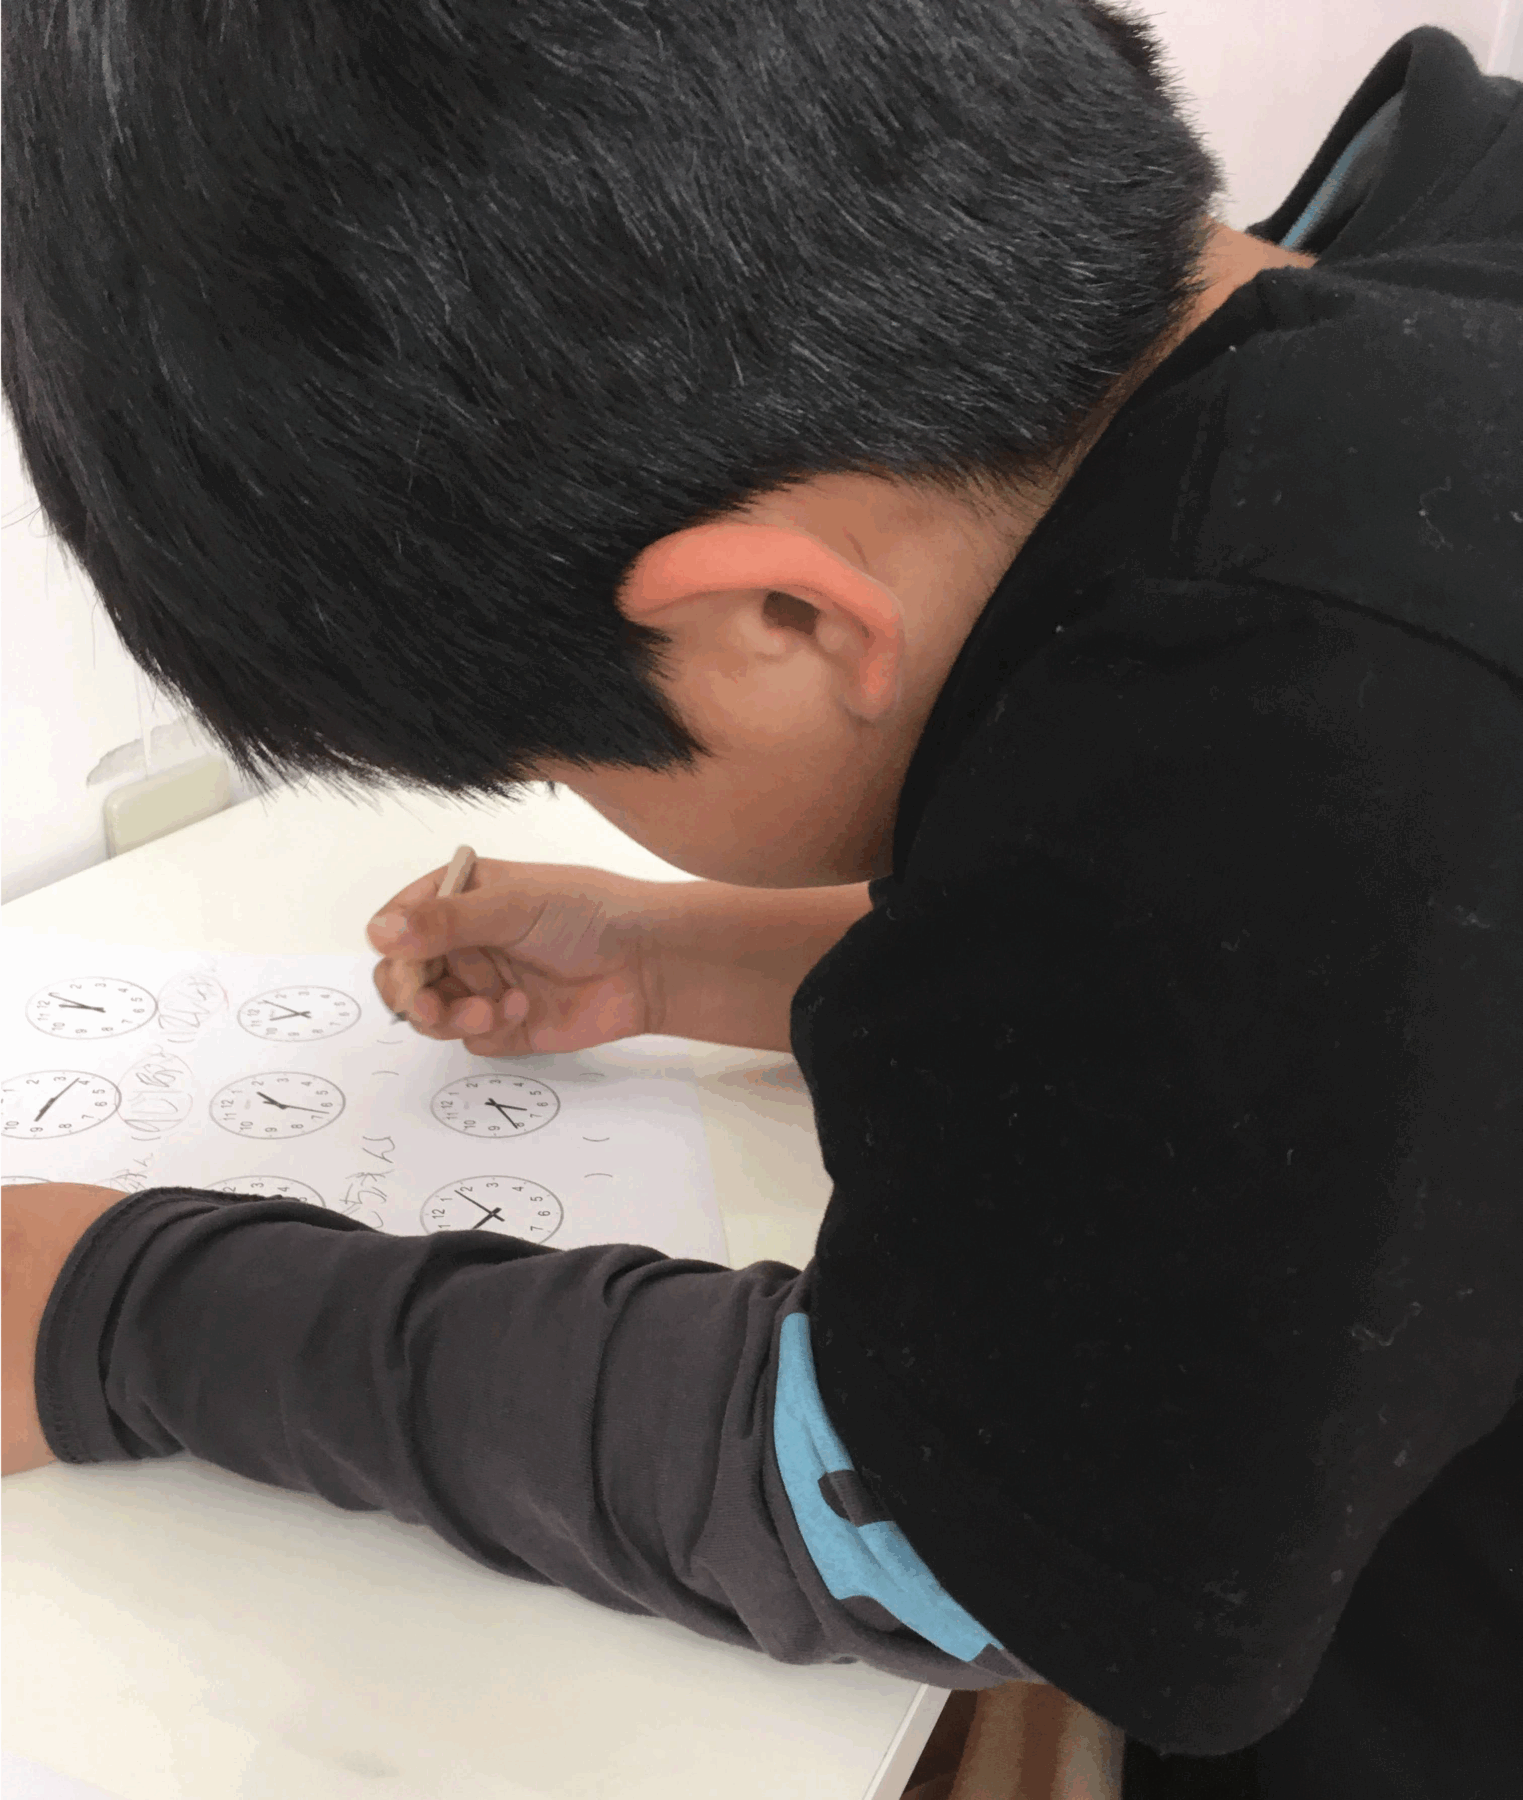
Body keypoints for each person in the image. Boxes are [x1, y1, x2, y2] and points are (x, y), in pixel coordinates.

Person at [4, 6, 1519, 1794]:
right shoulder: (1427, 248)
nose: (577, 798)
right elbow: (1273, 995)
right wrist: (681, 953)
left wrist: (121, 1311)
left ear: (781, 619)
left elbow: (916, 1526)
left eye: (559, 760)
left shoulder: (1306, 722)